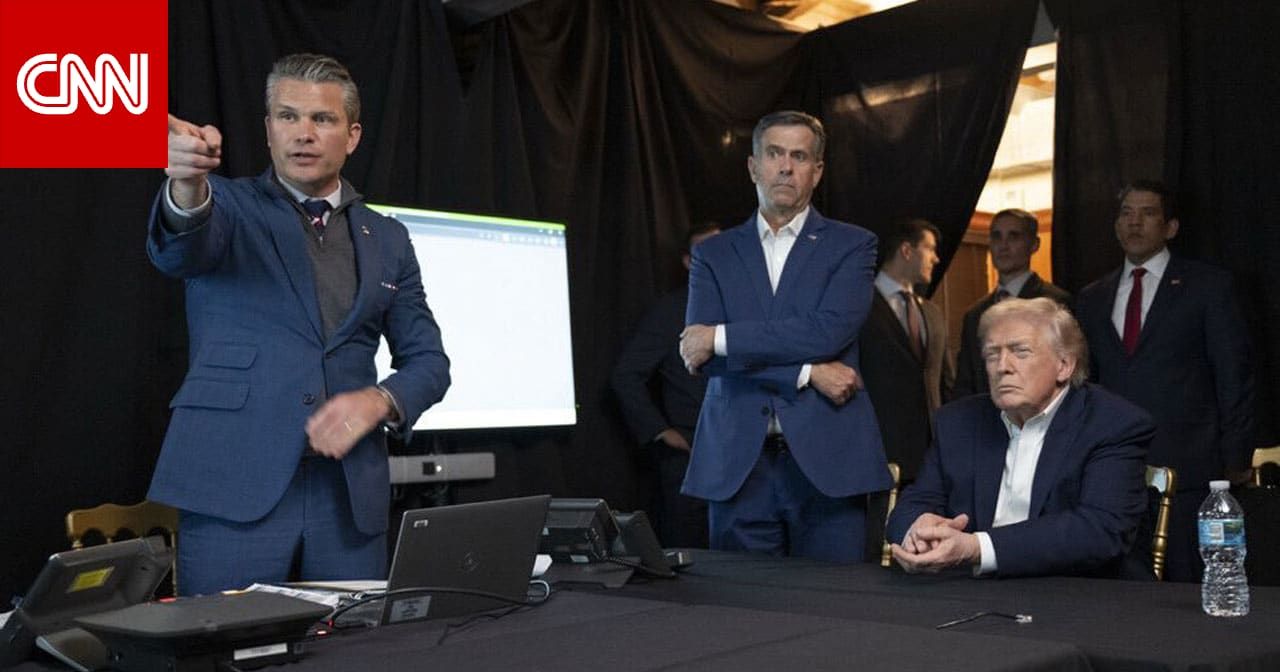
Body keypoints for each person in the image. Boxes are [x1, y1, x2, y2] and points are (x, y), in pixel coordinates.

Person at [148, 54, 451, 594]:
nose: (303, 133)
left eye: (322, 119)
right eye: (287, 117)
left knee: (355, 639)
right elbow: (181, 248)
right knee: (225, 637)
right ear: (269, 130)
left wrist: (379, 400)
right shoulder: (228, 205)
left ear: (352, 136)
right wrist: (187, 183)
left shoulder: (389, 238)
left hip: (348, 496)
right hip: (234, 484)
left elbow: (429, 362)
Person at [678, 110, 888, 562]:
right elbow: (704, 358)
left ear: (818, 170)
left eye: (799, 156)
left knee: (837, 601)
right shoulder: (712, 254)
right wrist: (807, 373)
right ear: (753, 166)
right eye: (774, 154)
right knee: (742, 602)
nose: (786, 167)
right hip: (738, 465)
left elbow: (827, 332)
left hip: (830, 460)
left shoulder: (853, 244)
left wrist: (721, 338)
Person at [886, 298, 1155, 578]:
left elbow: (1099, 529)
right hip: (971, 590)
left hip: (1079, 589)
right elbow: (914, 503)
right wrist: (918, 530)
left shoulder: (1112, 423)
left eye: (1020, 351)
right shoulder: (958, 422)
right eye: (992, 354)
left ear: (1064, 365)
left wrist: (978, 548)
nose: (1002, 366)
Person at [1074, 180, 1254, 583]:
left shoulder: (1208, 286)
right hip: (1115, 469)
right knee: (1122, 586)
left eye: (1148, 213)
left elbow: (1233, 373)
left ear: (1170, 227)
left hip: (1191, 467)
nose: (1134, 222)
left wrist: (1236, 456)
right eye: (1126, 213)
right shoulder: (1092, 297)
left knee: (1187, 583)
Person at [610, 223, 721, 548]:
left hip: (749, 456)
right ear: (688, 262)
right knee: (692, 551)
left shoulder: (750, 308)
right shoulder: (671, 311)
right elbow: (625, 375)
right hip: (691, 457)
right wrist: (660, 430)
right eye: (705, 253)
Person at [858, 218, 954, 482]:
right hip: (879, 454)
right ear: (907, 251)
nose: (936, 258)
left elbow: (946, 382)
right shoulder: (858, 306)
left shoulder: (932, 312)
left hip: (932, 456)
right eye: (930, 248)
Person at [952, 209, 1070, 399]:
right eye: (996, 236)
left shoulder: (1057, 303)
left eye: (1013, 236)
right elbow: (965, 385)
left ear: (1034, 244)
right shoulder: (974, 315)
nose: (1003, 245)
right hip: (985, 415)